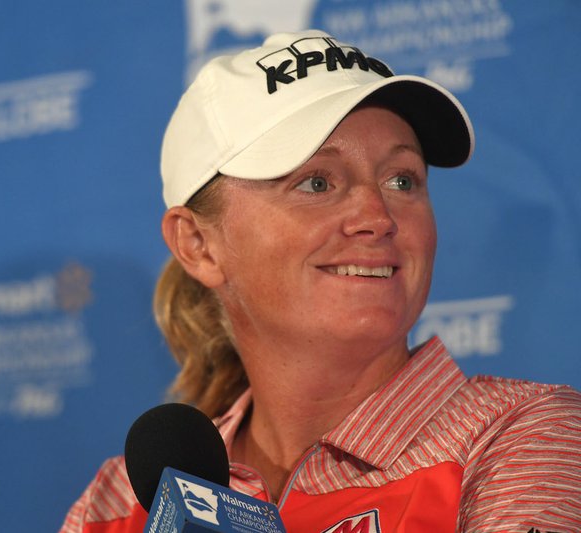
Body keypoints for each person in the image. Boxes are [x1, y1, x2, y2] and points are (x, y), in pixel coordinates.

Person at [61, 29, 581, 532]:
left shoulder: (526, 437)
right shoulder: (118, 503)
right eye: (316, 182)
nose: (377, 215)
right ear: (198, 245)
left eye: (402, 180)